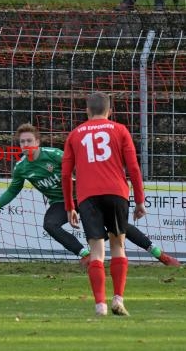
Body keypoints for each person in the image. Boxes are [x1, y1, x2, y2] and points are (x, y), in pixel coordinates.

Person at [0, 123, 178, 268]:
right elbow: (12, 191)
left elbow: (80, 165)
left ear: (37, 141)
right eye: (22, 142)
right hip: (60, 202)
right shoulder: (21, 167)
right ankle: (85, 254)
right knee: (50, 224)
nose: (26, 144)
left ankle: (160, 255)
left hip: (82, 197)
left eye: (29, 140)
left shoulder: (54, 155)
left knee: (118, 228)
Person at [62, 92, 147, 317]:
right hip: (117, 193)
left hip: (88, 196)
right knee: (118, 246)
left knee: (96, 251)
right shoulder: (119, 130)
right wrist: (139, 200)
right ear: (110, 111)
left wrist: (70, 206)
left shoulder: (75, 134)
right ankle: (118, 299)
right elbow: (134, 168)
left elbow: (65, 174)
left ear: (87, 111)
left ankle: (100, 305)